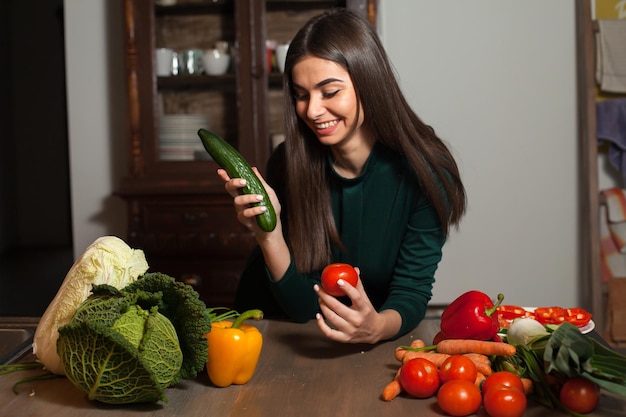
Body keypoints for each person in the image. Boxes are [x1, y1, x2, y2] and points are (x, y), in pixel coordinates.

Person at [218, 8, 466, 344]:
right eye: (301, 95)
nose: (312, 110)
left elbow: (410, 294)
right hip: (270, 328)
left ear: (369, 83)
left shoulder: (427, 172)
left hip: (359, 341)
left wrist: (376, 327)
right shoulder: (288, 164)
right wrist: (269, 233)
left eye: (330, 92)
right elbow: (303, 308)